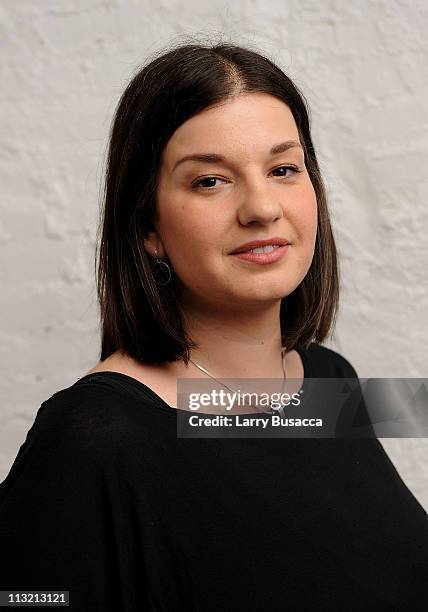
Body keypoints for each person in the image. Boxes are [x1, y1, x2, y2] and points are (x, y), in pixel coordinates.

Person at [0, 40, 427, 611]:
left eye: (282, 169)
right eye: (209, 181)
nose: (261, 207)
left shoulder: (326, 380)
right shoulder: (96, 436)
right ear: (147, 225)